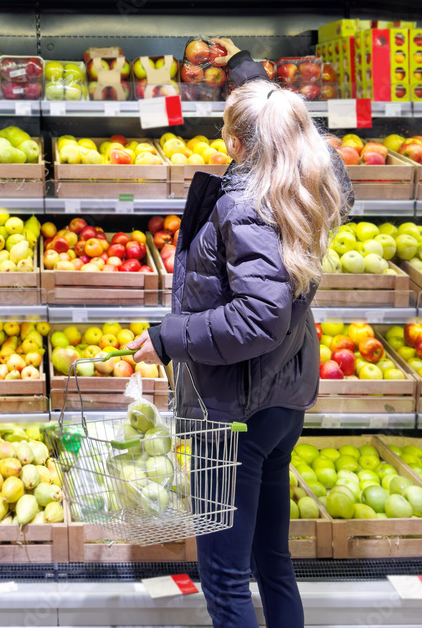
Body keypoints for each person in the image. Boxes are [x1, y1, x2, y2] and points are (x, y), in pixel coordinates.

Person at [128, 38, 354, 628]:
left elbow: (257, 317)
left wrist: (169, 336)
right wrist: (253, 80)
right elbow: (300, 136)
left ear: (235, 142)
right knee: (272, 562)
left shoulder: (245, 205)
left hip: (234, 410)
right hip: (279, 403)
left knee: (226, 578)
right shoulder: (311, 186)